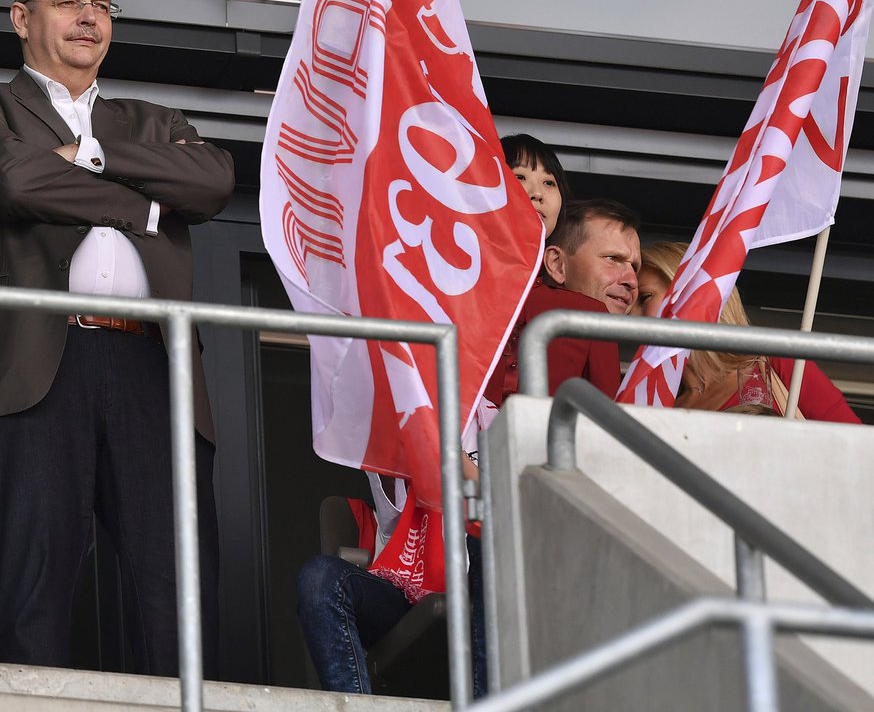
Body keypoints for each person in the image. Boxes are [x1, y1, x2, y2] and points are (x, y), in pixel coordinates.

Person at [0, 0, 236, 676]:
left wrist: (84, 154)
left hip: (148, 363)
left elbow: (213, 179)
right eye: (69, 0)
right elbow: (8, 180)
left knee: (178, 588)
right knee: (30, 581)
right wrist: (147, 206)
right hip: (34, 363)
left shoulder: (154, 117)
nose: (89, 18)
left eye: (102, 4)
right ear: (20, 16)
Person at [297, 136, 578, 698]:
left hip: (499, 557)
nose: (535, 193)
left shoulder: (558, 324)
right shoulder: (416, 352)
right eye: (519, 178)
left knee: (486, 548)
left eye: (549, 183)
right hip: (413, 571)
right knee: (321, 580)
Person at [635, 241, 860, 422]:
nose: (632, 316)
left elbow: (857, 451)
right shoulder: (656, 405)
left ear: (693, 295)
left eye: (645, 298)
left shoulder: (775, 363)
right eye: (628, 305)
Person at [485, 198, 641, 404]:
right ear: (557, 264)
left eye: (635, 268)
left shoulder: (481, 302)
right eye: (613, 259)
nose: (632, 281)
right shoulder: (591, 315)